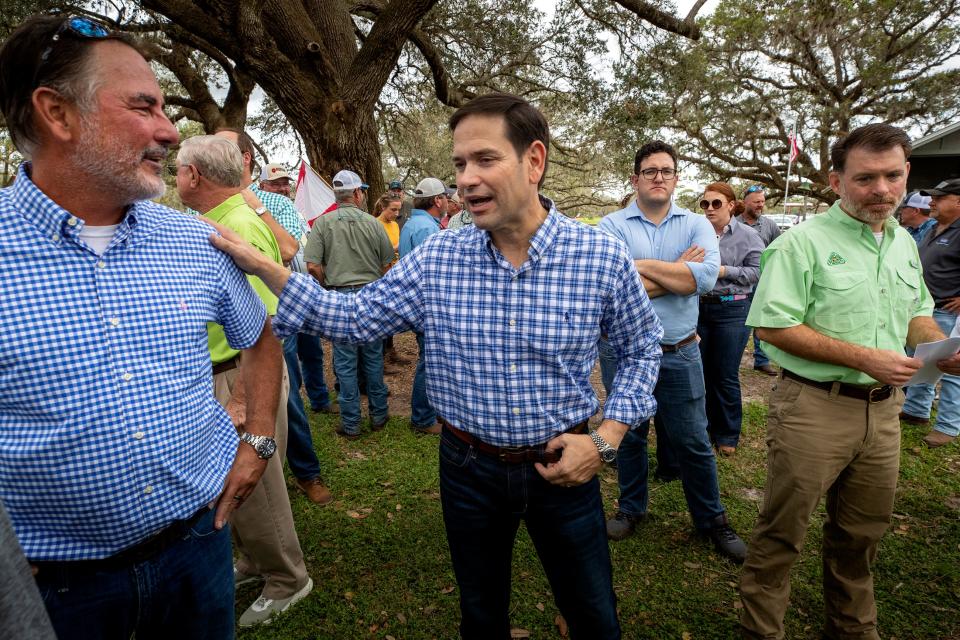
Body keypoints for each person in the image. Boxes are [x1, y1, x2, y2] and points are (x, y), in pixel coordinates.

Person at [207, 91, 663, 640]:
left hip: (565, 462)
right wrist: (264, 267)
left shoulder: (600, 256)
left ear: (534, 161)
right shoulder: (441, 256)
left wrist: (607, 439)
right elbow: (353, 318)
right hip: (468, 467)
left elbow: (642, 349)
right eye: (459, 164)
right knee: (481, 612)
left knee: (592, 612)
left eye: (484, 159)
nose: (466, 179)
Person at [0, 15, 279, 638]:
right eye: (143, 106)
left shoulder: (193, 240)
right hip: (56, 589)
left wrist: (258, 438)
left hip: (198, 548)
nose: (168, 129)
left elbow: (259, 338)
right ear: (58, 114)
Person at [739, 124, 960, 639]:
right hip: (815, 407)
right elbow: (773, 324)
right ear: (838, 181)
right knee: (782, 535)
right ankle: (761, 632)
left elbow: (918, 314)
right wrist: (867, 357)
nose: (881, 189)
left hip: (883, 412)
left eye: (892, 176)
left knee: (860, 536)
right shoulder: (804, 242)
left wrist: (939, 349)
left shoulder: (904, 241)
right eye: (865, 178)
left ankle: (853, 629)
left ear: (906, 176)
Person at [175, 135, 313, 627]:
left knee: (258, 486)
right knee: (234, 485)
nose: (175, 179)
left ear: (194, 176)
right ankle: (256, 560)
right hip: (221, 371)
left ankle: (287, 579)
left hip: (239, 374)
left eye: (178, 170)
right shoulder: (225, 218)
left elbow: (266, 323)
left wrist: (240, 397)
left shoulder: (236, 224)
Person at [597, 141, 748, 564]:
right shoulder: (611, 225)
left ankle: (711, 519)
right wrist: (678, 270)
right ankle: (631, 508)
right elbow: (613, 289)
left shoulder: (697, 224)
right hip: (623, 352)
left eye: (666, 170)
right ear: (635, 179)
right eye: (650, 171)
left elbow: (703, 282)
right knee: (627, 435)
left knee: (693, 440)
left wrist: (639, 267)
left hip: (679, 351)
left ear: (676, 178)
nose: (658, 177)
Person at [256, 157, 335, 502]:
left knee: (308, 359)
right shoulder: (272, 205)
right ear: (263, 184)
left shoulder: (275, 205)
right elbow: (294, 248)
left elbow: (294, 249)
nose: (284, 188)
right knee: (285, 392)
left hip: (292, 299)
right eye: (277, 183)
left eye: (287, 182)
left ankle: (318, 401)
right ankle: (307, 473)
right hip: (279, 305)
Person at [304, 170, 394, 438]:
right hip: (369, 296)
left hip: (339, 296)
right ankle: (379, 414)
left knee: (344, 362)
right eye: (362, 191)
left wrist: (327, 284)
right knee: (373, 358)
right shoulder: (374, 223)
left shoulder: (322, 223)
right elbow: (388, 264)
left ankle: (351, 422)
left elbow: (312, 266)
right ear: (356, 194)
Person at [697, 182, 764, 455]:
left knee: (724, 374)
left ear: (731, 205)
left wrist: (724, 270)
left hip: (732, 309)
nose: (710, 209)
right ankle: (702, 430)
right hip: (699, 308)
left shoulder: (748, 236)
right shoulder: (696, 233)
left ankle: (726, 434)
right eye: (705, 204)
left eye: (716, 203)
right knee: (699, 374)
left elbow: (757, 272)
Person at [899, 178, 960, 447]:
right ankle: (916, 411)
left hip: (947, 311)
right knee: (922, 362)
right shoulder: (933, 227)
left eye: (940, 197)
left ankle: (948, 426)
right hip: (924, 307)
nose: (932, 202)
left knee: (949, 368)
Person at [398, 176, 449, 434]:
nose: (448, 201)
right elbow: (436, 273)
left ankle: (428, 413)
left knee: (428, 359)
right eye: (445, 197)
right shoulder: (428, 229)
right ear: (437, 200)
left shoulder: (413, 223)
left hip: (417, 301)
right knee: (429, 362)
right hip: (428, 304)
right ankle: (422, 418)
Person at [736, 185, 781, 376]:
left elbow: (779, 251)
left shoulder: (770, 226)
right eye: (756, 202)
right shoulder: (733, 223)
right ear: (745, 202)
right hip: (739, 283)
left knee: (762, 322)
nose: (760, 205)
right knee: (740, 323)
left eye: (762, 202)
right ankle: (733, 359)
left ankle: (761, 360)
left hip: (763, 283)